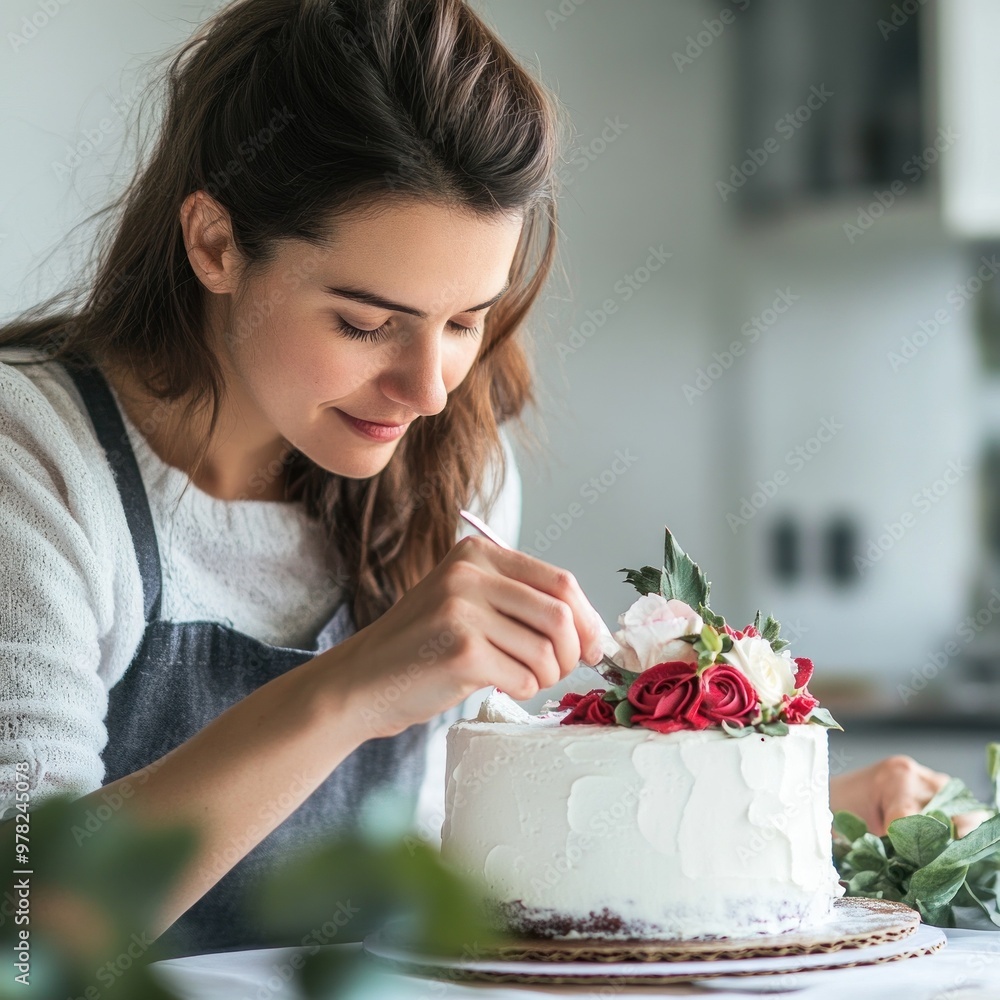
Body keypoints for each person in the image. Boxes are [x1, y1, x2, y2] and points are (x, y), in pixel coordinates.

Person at [0, 0, 974, 961]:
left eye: (465, 320)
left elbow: (439, 864)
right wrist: (348, 689)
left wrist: (772, 818)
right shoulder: (36, 457)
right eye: (364, 321)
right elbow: (23, 915)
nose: (426, 387)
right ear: (214, 243)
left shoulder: (451, 459)